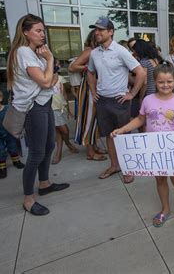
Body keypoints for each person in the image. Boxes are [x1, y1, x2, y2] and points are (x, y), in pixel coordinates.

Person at [112, 62, 174, 233]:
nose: (166, 85)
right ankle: (165, 209)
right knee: (160, 179)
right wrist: (123, 129)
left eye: (169, 82)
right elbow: (140, 120)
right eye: (161, 82)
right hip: (154, 150)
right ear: (155, 82)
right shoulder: (148, 100)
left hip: (173, 151)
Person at [7, 14, 69, 216]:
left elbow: (54, 79)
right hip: (34, 108)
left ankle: (44, 183)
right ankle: (28, 198)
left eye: (43, 30)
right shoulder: (24, 51)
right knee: (36, 152)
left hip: (45, 103)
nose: (43, 35)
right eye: (38, 31)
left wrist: (49, 74)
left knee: (49, 145)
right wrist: (50, 60)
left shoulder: (34, 53)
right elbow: (45, 81)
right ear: (25, 32)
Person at [86, 17, 145, 182]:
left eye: (101, 29)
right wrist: (92, 90)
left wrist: (132, 94)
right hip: (103, 101)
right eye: (95, 29)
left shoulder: (121, 51)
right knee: (109, 135)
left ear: (110, 32)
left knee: (123, 136)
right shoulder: (94, 53)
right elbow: (90, 72)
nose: (97, 32)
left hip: (120, 102)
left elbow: (141, 73)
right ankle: (114, 166)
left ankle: (128, 168)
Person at [69, 30, 107, 161]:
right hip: (88, 90)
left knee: (95, 120)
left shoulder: (99, 52)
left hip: (96, 88)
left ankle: (94, 145)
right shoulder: (90, 51)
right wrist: (88, 68)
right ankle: (90, 152)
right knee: (88, 120)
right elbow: (73, 67)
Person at [51, 59, 79, 164]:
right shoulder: (46, 78)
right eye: (57, 64)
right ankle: (68, 144)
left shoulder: (60, 78)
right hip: (52, 108)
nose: (59, 66)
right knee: (65, 131)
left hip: (61, 107)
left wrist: (68, 107)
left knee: (59, 131)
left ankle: (58, 153)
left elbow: (64, 94)